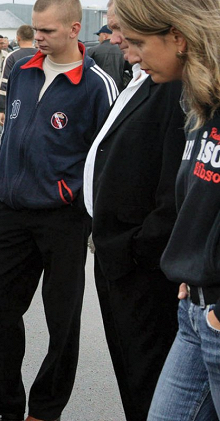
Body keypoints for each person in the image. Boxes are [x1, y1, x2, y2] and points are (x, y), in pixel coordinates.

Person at [0, 0, 116, 419]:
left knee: (62, 321)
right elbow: (11, 130)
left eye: (48, 32)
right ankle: (1, 397)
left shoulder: (96, 85)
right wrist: (2, 175)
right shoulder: (21, 68)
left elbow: (107, 157)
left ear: (75, 29)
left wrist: (70, 193)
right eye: (35, 30)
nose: (38, 38)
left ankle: (44, 409)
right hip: (13, 211)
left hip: (64, 217)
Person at [114, 0, 220, 419]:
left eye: (139, 41)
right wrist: (192, 261)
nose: (132, 55)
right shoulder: (203, 103)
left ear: (178, 37)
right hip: (193, 309)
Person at [83, 1, 184, 419]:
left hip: (141, 267)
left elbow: (175, 194)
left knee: (150, 382)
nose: (118, 38)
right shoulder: (144, 78)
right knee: (132, 375)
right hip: (118, 257)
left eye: (125, 29)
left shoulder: (174, 85)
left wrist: (133, 250)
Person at [0, 24, 39, 179]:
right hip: (37, 103)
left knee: (8, 139)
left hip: (16, 104)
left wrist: (1, 109)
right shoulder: (41, 54)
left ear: (18, 38)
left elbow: (4, 85)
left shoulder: (12, 56)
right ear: (33, 37)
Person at [87, 24, 131, 91]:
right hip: (118, 89)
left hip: (97, 89)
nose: (98, 39)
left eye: (99, 36)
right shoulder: (123, 51)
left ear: (105, 35)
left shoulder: (92, 50)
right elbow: (132, 70)